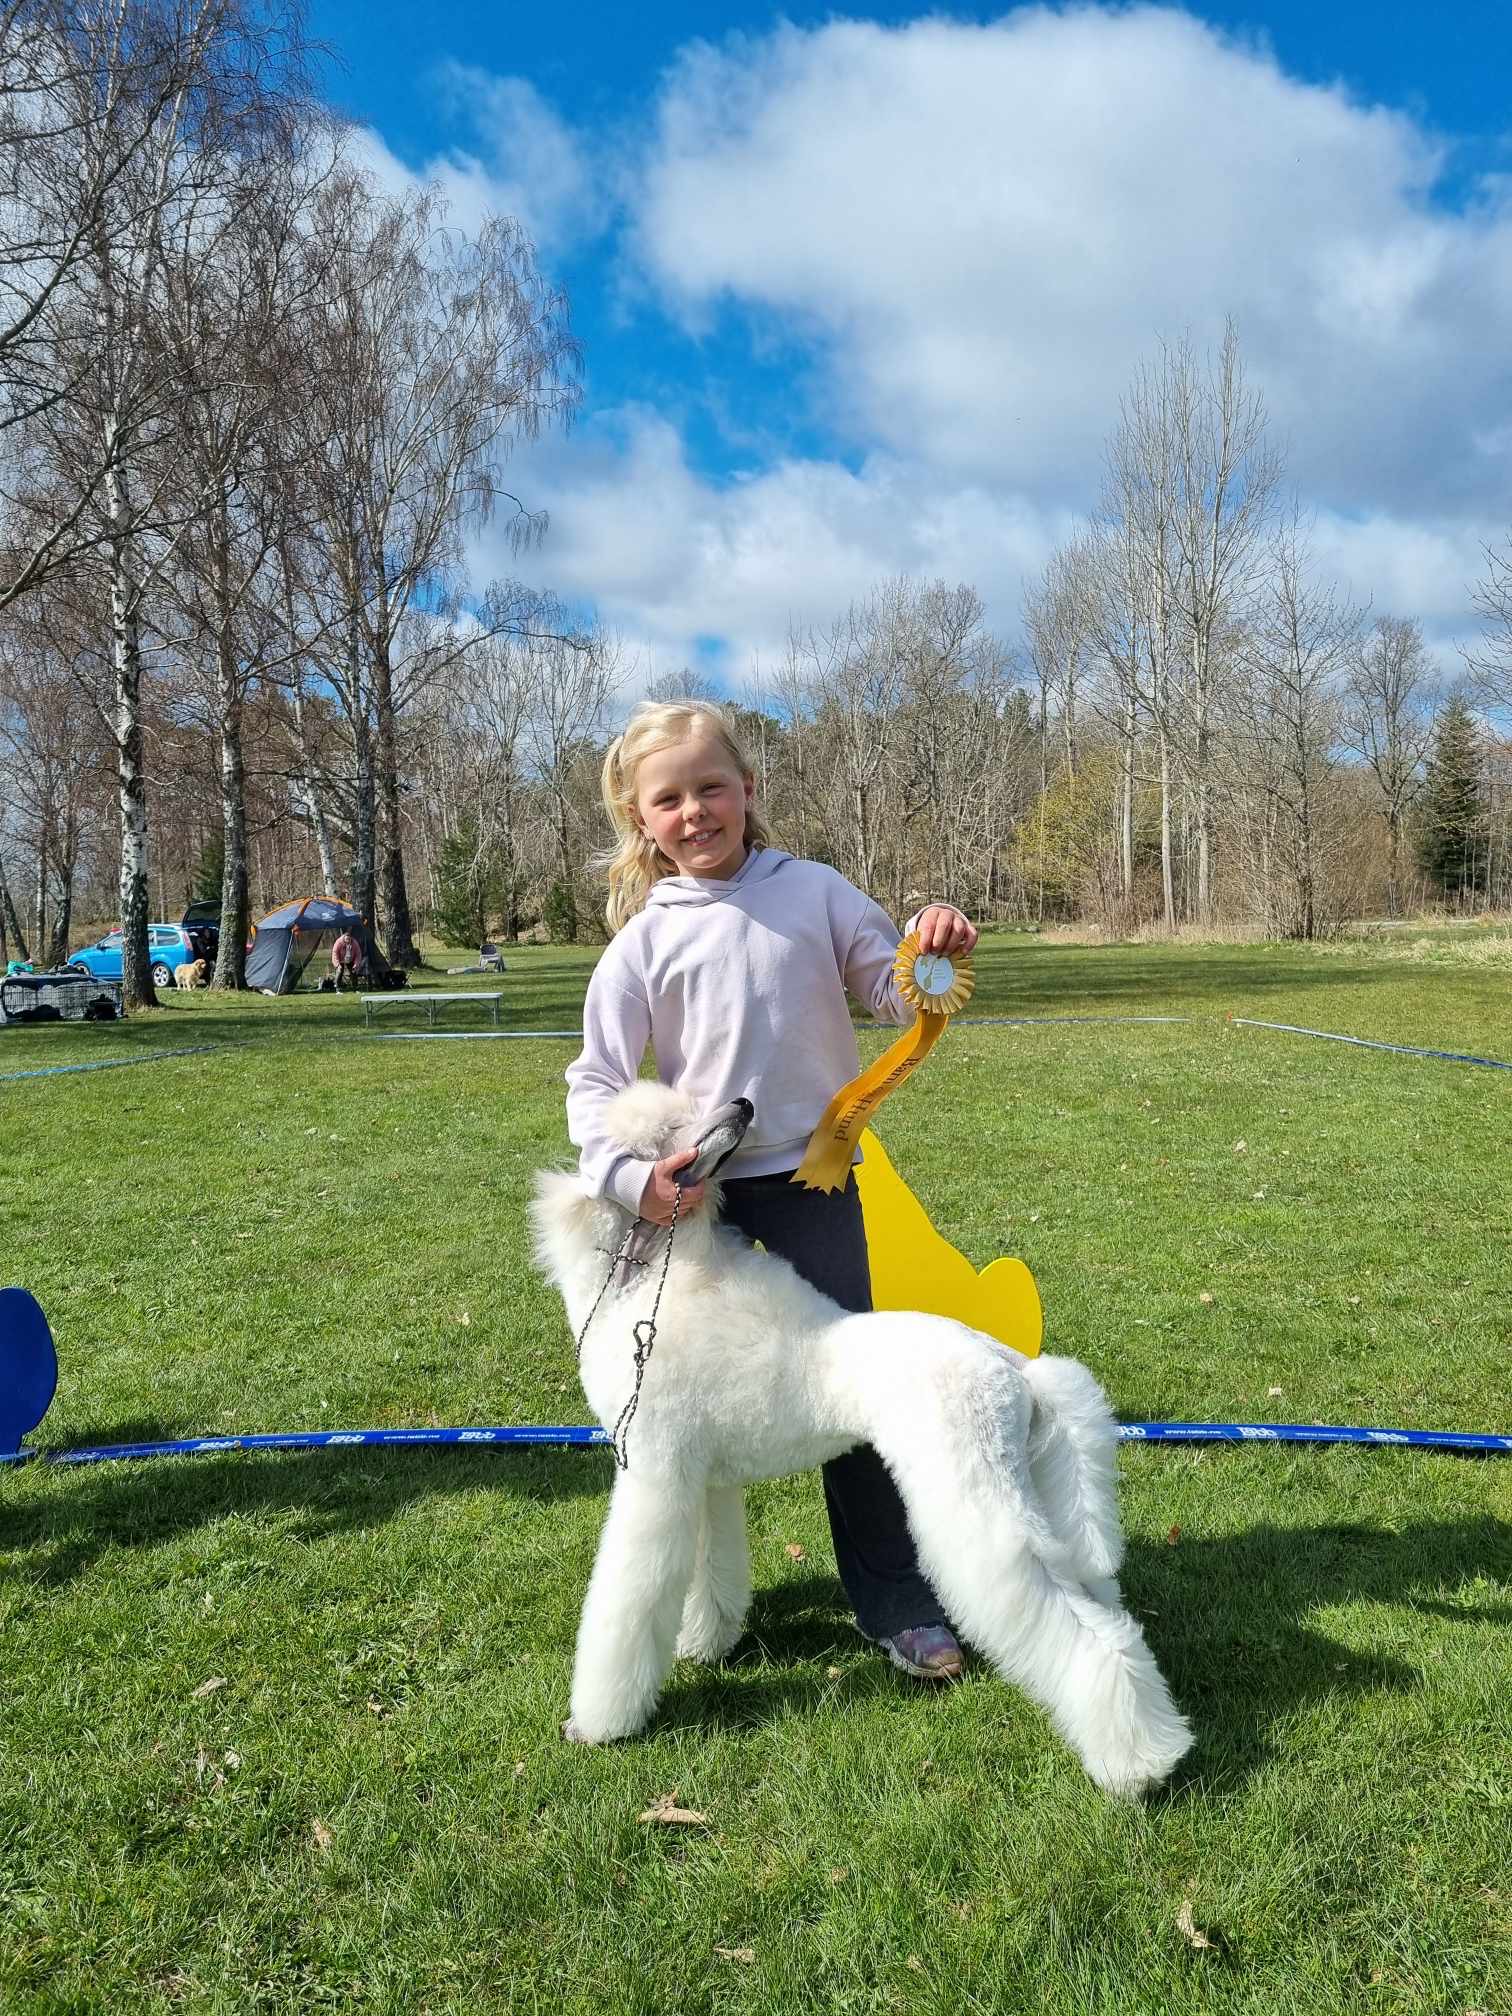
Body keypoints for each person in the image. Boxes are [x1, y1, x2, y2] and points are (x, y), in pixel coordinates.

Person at [565, 698, 980, 1682]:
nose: (696, 812)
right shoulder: (639, 947)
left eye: (712, 788)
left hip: (813, 1187)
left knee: (857, 1393)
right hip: (691, 1215)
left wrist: (931, 952)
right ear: (642, 821)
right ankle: (701, 1611)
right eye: (669, 800)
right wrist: (634, 1179)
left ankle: (897, 1599)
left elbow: (893, 987)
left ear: (749, 791)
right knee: (677, 1417)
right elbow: (592, 1081)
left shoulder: (816, 893)